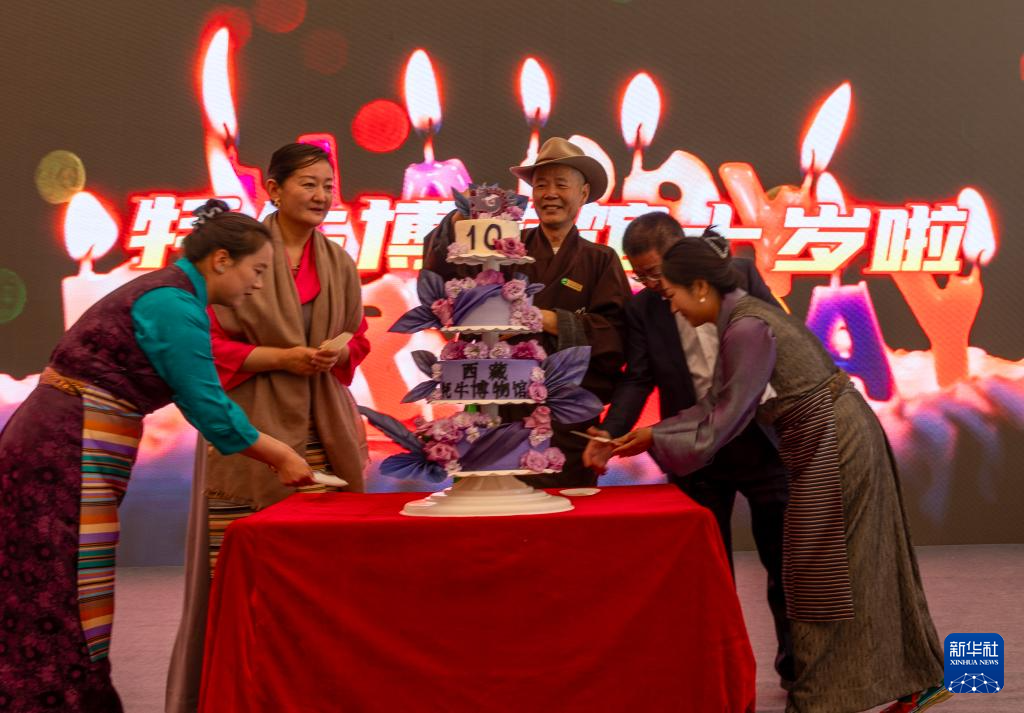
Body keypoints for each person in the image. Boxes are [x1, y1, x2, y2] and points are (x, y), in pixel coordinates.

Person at [604, 235, 950, 713]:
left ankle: (820, 701)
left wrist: (658, 440)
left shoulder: (746, 327)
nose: (675, 308)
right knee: (849, 567)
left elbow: (724, 418)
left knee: (817, 575)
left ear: (700, 287)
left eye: (675, 295)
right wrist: (652, 434)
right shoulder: (740, 318)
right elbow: (719, 401)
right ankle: (916, 678)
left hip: (834, 442)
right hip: (826, 438)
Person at [0, 201, 313, 712]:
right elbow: (206, 404)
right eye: (256, 270)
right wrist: (279, 454)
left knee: (60, 580)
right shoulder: (172, 303)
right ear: (220, 260)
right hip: (63, 445)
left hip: (63, 442)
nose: (258, 285)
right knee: (63, 584)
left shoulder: (171, 295)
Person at [166, 143, 370, 713]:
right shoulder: (237, 254)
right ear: (274, 190)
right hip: (251, 434)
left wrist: (336, 353)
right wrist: (281, 358)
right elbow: (205, 345)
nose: (322, 196)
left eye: (328, 185)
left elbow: (358, 339)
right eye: (309, 184)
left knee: (321, 576)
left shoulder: (339, 261)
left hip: (325, 431)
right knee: (247, 575)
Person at [583, 213, 794, 687]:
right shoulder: (644, 309)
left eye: (658, 273)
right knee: (705, 571)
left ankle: (797, 668)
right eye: (642, 276)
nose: (655, 286)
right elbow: (639, 378)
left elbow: (783, 343)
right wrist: (610, 432)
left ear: (682, 252)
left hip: (760, 442)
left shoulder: (738, 276)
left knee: (784, 564)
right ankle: (716, 671)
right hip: (696, 450)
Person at [422, 137, 632, 487]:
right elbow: (444, 280)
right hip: (499, 412)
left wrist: (544, 318)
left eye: (561, 184)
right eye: (541, 185)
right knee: (493, 508)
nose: (550, 194)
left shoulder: (600, 259)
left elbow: (613, 334)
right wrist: (459, 218)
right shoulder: (504, 250)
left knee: (565, 511)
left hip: (566, 423)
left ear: (583, 194)